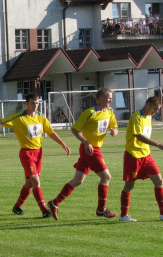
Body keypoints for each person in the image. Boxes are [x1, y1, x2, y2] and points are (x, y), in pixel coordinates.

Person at [0, 93, 70, 218]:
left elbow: (51, 132)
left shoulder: (41, 117)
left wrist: (63, 144)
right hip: (26, 153)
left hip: (39, 153)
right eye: (33, 103)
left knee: (29, 183)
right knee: (36, 181)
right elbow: (0, 121)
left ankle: (17, 206)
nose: (35, 105)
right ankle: (44, 209)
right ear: (27, 104)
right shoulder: (19, 117)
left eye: (37, 103)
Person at [48, 88, 119, 220]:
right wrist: (86, 142)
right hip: (90, 150)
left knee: (78, 180)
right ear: (101, 98)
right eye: (109, 98)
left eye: (111, 98)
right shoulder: (90, 112)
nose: (111, 100)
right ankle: (101, 209)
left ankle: (54, 203)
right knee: (106, 177)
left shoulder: (109, 111)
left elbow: (114, 126)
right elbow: (75, 129)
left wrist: (114, 131)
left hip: (93, 149)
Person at [119, 97, 163, 222]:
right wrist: (158, 144)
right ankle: (123, 215)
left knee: (159, 180)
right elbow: (139, 136)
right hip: (133, 155)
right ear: (148, 104)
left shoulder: (149, 117)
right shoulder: (137, 116)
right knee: (129, 185)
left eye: (158, 109)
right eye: (155, 108)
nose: (156, 111)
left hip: (146, 156)